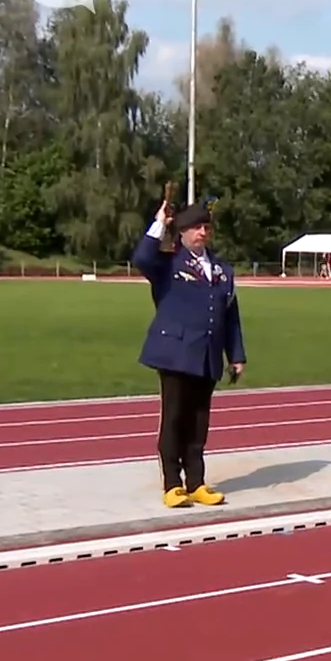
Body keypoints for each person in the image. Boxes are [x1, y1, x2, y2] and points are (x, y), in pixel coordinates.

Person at [132, 197, 246, 508]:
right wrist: (159, 223)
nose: (202, 232)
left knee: (199, 422)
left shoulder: (222, 270)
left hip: (207, 354)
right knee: (174, 419)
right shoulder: (168, 263)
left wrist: (236, 355)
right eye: (196, 227)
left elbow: (230, 315)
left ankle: (195, 482)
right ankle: (172, 484)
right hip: (175, 353)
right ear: (181, 232)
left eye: (206, 227)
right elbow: (141, 258)